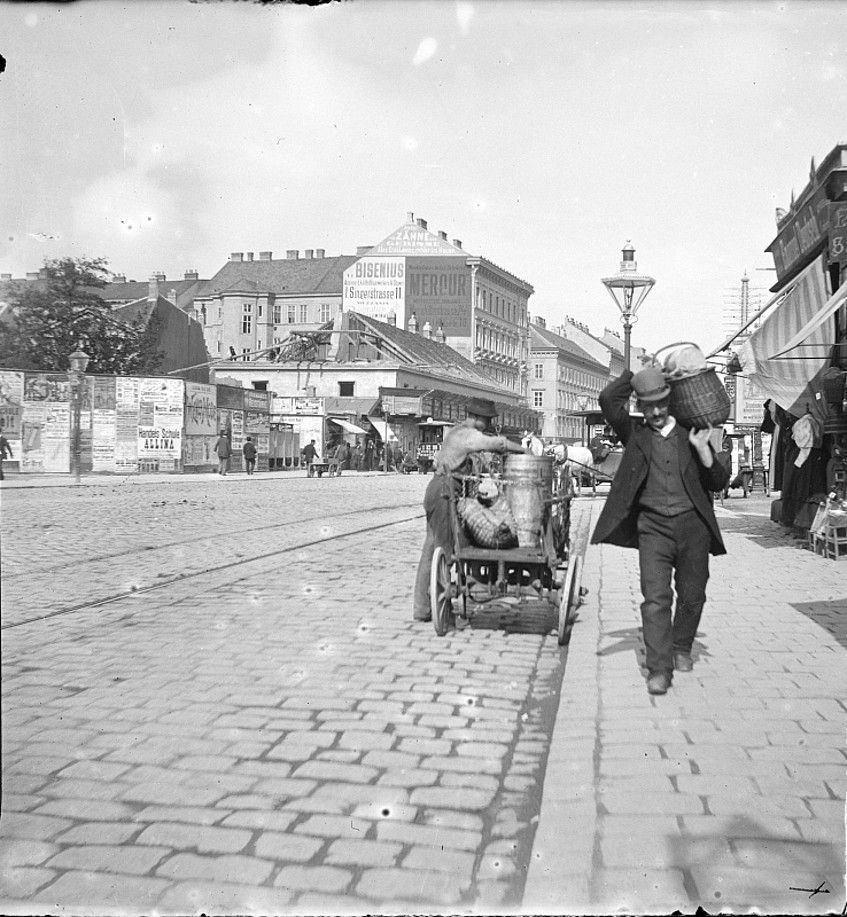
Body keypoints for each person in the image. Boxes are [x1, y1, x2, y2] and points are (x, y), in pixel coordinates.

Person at [591, 367, 729, 696]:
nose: (654, 412)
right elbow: (609, 399)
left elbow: (720, 481)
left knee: (693, 595)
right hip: (652, 527)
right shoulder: (634, 432)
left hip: (693, 526)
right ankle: (659, 668)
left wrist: (704, 450)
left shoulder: (690, 432)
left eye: (660, 405)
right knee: (656, 600)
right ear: (640, 404)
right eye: (647, 405)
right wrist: (637, 373)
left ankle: (681, 646)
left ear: (670, 400)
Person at [413, 398, 527, 629]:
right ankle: (444, 614)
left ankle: (422, 607)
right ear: (477, 418)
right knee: (444, 549)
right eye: (487, 420)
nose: (488, 424)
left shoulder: (457, 432)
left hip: (438, 489)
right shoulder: (468, 434)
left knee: (430, 547)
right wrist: (523, 449)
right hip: (445, 492)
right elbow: (498, 444)